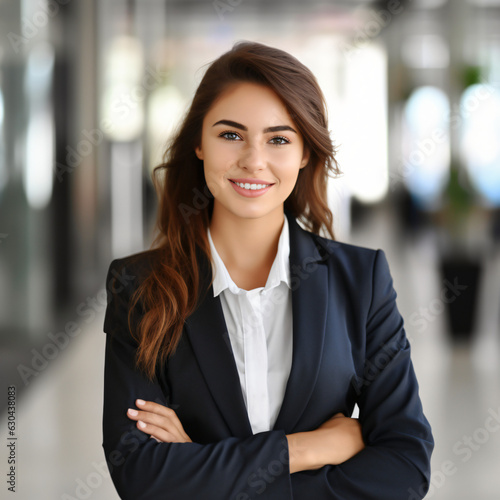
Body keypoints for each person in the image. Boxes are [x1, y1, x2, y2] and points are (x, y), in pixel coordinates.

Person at [102, 41, 434, 499]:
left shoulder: (363, 280)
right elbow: (142, 476)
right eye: (231, 134)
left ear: (303, 153)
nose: (253, 160)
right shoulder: (138, 287)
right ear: (199, 143)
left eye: (278, 139)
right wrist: (311, 448)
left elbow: (406, 467)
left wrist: (201, 465)